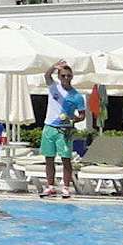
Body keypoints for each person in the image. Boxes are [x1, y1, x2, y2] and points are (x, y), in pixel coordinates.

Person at [41, 63, 87, 197]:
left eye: (68, 75)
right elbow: (46, 75)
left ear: (72, 76)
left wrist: (72, 120)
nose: (66, 78)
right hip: (49, 127)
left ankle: (66, 187)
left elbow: (82, 115)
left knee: (66, 159)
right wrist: (54, 66)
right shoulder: (53, 87)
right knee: (49, 159)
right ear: (59, 76)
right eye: (63, 75)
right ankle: (50, 186)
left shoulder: (77, 96)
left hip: (65, 130)